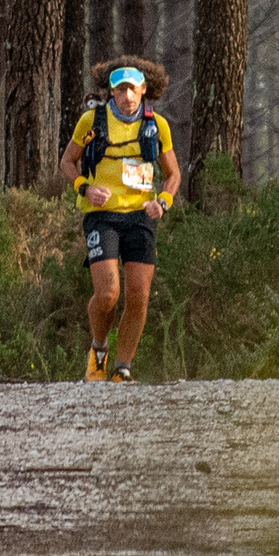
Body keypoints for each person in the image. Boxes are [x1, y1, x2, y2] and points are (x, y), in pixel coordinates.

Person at [60, 62, 179, 381]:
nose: (127, 96)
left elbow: (173, 174)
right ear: (111, 92)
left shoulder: (157, 125)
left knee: (139, 296)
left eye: (133, 89)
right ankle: (99, 349)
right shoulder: (92, 121)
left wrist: (163, 202)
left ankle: (122, 368)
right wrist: (84, 187)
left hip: (141, 216)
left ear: (144, 90)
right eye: (121, 89)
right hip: (102, 216)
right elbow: (67, 162)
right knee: (108, 294)